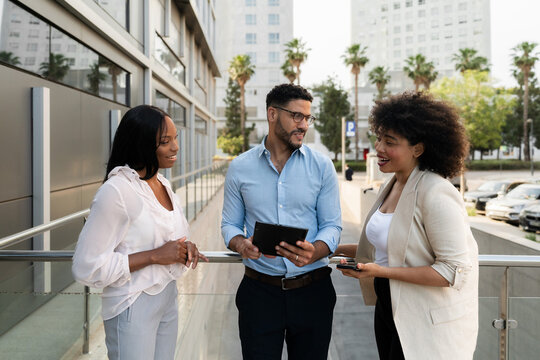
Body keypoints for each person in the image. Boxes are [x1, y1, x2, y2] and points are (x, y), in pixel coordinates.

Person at [336, 92, 478, 360]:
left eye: (390, 142)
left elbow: (452, 271)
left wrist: (381, 271)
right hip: (390, 310)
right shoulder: (392, 185)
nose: (378, 148)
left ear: (418, 149)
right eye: (379, 138)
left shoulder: (436, 191)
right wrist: (330, 249)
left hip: (426, 321)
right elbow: (391, 249)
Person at [72, 105, 207, 360]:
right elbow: (85, 267)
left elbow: (165, 238)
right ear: (141, 144)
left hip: (167, 295)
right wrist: (155, 255)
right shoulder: (117, 191)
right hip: (132, 304)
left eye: (175, 138)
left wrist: (184, 248)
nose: (175, 147)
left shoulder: (162, 183)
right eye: (165, 142)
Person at [221, 83, 342, 359]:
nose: (304, 125)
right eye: (296, 116)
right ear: (272, 114)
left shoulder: (322, 166)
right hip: (259, 294)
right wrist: (241, 245)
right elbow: (229, 224)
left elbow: (332, 226)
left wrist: (316, 252)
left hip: (314, 292)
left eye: (308, 118)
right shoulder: (240, 167)